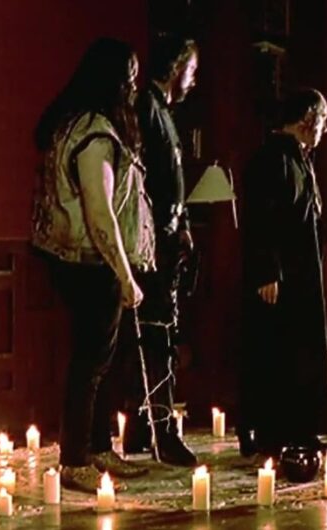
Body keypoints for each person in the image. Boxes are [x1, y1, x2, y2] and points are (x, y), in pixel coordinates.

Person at [32, 38, 155, 492]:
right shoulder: (95, 133)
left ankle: (99, 447)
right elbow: (100, 213)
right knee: (90, 361)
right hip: (89, 260)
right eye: (130, 79)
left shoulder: (75, 124)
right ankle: (76, 458)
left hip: (80, 258)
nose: (134, 88)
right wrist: (125, 275)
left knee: (101, 360)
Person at [239, 88, 327, 458]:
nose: (325, 129)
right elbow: (261, 220)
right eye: (322, 120)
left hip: (301, 275)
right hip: (280, 277)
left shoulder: (298, 158)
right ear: (307, 119)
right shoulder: (273, 158)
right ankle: (271, 432)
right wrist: (267, 271)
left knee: (297, 353)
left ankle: (299, 430)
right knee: (275, 353)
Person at [121, 35, 199, 466]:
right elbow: (147, 180)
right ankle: (160, 430)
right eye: (192, 70)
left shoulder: (163, 112)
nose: (194, 80)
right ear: (175, 67)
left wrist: (182, 225)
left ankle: (143, 427)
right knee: (157, 335)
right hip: (151, 244)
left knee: (157, 333)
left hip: (164, 239)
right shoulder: (147, 108)